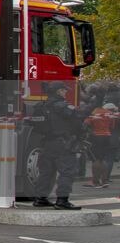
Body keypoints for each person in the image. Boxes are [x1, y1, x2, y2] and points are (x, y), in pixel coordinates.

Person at [32, 81, 94, 210]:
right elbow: (79, 115)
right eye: (64, 90)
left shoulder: (41, 106)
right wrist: (94, 103)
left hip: (47, 143)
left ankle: (40, 198)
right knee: (67, 172)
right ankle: (62, 200)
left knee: (46, 172)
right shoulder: (60, 106)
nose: (66, 92)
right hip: (63, 143)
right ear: (58, 91)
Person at [84, 102, 117, 187]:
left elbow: (86, 123)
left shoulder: (95, 112)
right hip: (107, 136)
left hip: (96, 137)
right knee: (103, 160)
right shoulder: (111, 115)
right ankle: (105, 180)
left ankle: (95, 181)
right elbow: (112, 127)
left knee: (95, 160)